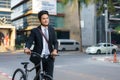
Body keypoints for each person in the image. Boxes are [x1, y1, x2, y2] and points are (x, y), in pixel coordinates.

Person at [24, 10, 58, 80]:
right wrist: (27, 48)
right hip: (39, 57)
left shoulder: (52, 29)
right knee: (38, 76)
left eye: (47, 18)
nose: (46, 20)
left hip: (49, 57)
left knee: (49, 77)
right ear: (40, 20)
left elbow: (55, 42)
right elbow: (30, 41)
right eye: (44, 18)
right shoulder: (35, 30)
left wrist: (55, 50)